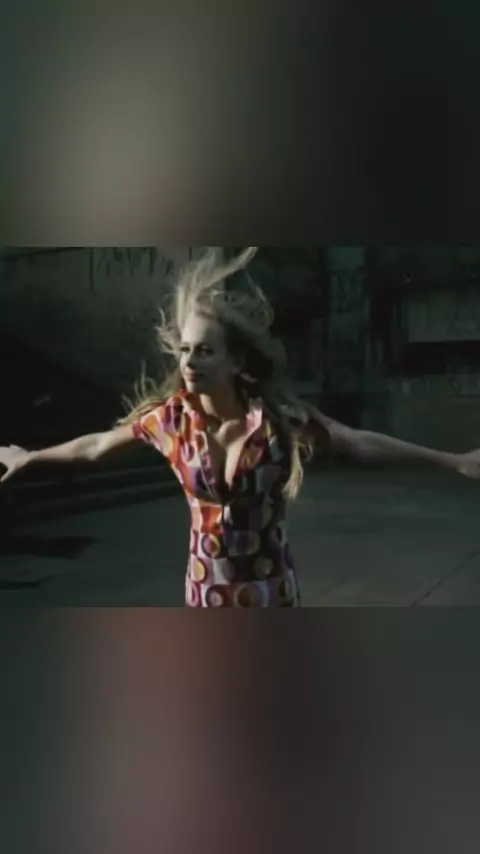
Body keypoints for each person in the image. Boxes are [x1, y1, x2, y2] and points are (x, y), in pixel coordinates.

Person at [1, 246, 480, 607]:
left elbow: (355, 442)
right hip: (204, 592)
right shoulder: (170, 422)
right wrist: (30, 457)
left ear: (235, 360)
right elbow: (96, 446)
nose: (189, 362)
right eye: (185, 350)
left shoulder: (277, 420)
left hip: (271, 592)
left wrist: (452, 461)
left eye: (205, 351)